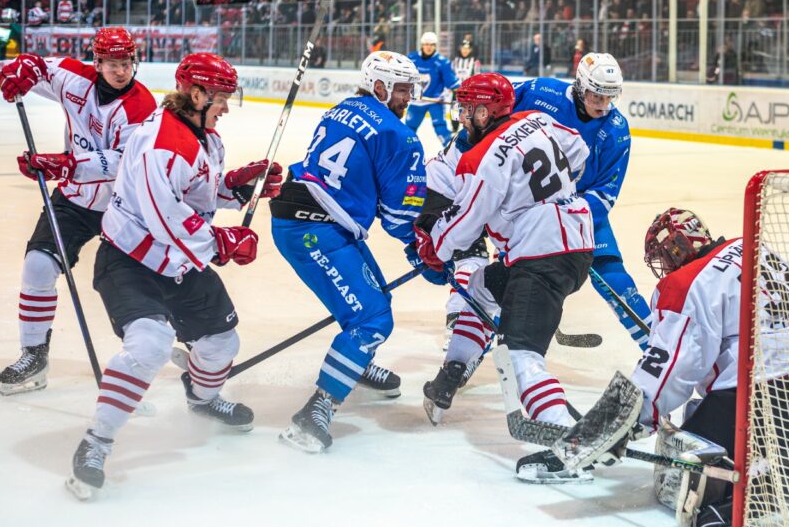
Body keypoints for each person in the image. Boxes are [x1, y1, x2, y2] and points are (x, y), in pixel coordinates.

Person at [65, 53, 283, 500]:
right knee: (149, 344)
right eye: (221, 98)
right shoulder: (160, 142)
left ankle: (201, 399)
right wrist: (220, 242)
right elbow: (164, 217)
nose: (226, 107)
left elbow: (198, 194)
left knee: (222, 343)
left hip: (177, 263)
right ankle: (96, 443)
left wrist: (238, 186)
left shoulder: (205, 138)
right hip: (131, 261)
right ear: (197, 94)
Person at [603, 208, 789, 527]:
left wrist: (626, 419)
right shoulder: (750, 246)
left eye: (665, 255)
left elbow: (672, 369)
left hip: (772, 393)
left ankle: (749, 492)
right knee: (703, 411)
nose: (665, 264)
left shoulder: (686, 282)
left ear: (678, 247)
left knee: (688, 458)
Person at [413, 73, 594, 475]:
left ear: (484, 112)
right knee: (480, 286)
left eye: (467, 109)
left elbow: (465, 225)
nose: (462, 117)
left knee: (520, 355)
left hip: (543, 253)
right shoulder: (536, 119)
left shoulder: (480, 158)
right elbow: (578, 150)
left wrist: (434, 247)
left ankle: (568, 443)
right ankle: (453, 370)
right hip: (575, 240)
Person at [270, 50, 443, 453]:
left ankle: (354, 363)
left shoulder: (342, 109)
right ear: (379, 87)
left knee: (374, 300)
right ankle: (316, 411)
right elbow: (398, 216)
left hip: (301, 215)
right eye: (403, 89)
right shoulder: (399, 135)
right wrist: (422, 247)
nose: (409, 97)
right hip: (315, 229)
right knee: (372, 318)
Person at [0, 28, 157, 396]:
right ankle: (34, 355)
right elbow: (36, 68)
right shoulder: (73, 76)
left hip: (124, 205)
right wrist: (20, 70)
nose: (122, 71)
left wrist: (68, 164)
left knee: (151, 278)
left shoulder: (140, 106)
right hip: (75, 199)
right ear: (96, 62)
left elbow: (124, 161)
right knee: (38, 265)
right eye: (113, 64)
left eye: (127, 63)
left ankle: (193, 340)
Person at [513, 53, 653, 351]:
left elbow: (606, 193)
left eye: (610, 97)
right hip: (526, 204)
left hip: (581, 210)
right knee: (512, 276)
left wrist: (567, 217)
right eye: (596, 96)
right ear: (579, 86)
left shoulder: (615, 130)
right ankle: (476, 341)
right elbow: (500, 103)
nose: (602, 105)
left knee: (611, 272)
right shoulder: (542, 92)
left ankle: (656, 347)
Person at [405, 31, 460, 147]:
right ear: (422, 44)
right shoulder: (411, 59)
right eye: (426, 44)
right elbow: (403, 77)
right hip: (416, 101)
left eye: (432, 44)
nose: (429, 47)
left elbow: (453, 84)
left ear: (435, 45)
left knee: (441, 128)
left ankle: (451, 150)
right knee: (408, 130)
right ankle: (405, 149)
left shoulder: (442, 62)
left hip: (435, 102)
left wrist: (458, 96)